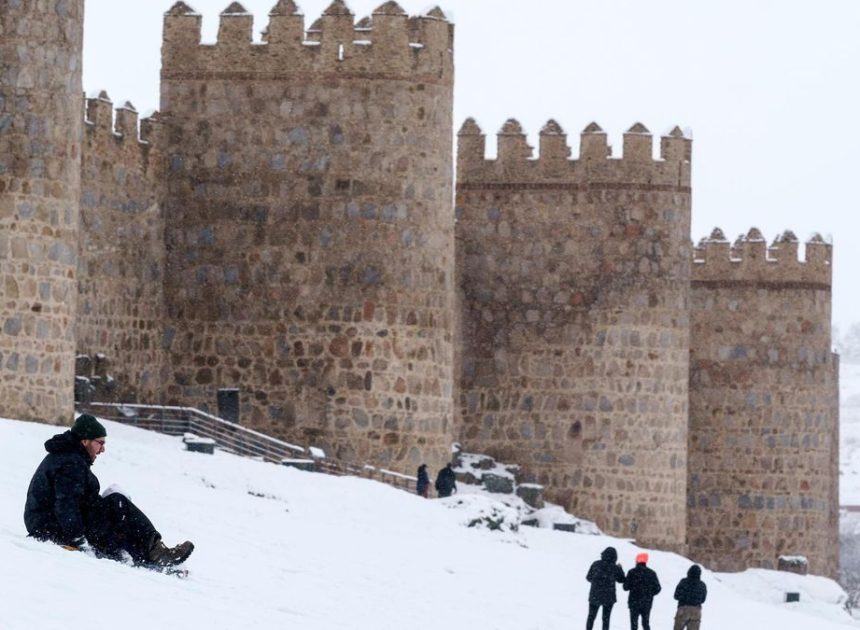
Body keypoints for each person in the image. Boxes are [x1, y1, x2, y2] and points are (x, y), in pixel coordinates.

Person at [24, 414, 194, 567]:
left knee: (115, 506)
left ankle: (146, 554)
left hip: (52, 524)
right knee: (117, 504)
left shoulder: (70, 458)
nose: (102, 450)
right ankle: (153, 554)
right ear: (85, 441)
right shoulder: (71, 463)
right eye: (100, 443)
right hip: (51, 528)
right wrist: (78, 540)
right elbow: (66, 504)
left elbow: (79, 501)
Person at [586, 546, 626, 630]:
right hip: (609, 597)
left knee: (591, 617)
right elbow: (622, 580)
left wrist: (597, 583)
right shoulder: (615, 568)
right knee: (606, 620)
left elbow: (588, 577)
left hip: (595, 595)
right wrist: (620, 568)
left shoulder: (596, 564)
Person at [623, 552, 661, 630]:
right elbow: (658, 588)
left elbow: (625, 587)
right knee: (645, 623)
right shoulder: (652, 573)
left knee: (634, 624)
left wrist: (633, 586)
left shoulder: (632, 572)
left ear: (637, 561)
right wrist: (650, 594)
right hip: (647, 603)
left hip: (634, 602)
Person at [673, 564, 707, 630]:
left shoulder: (683, 582)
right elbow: (703, 600)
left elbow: (676, 595)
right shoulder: (702, 585)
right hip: (696, 610)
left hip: (683, 609)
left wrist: (684, 598)